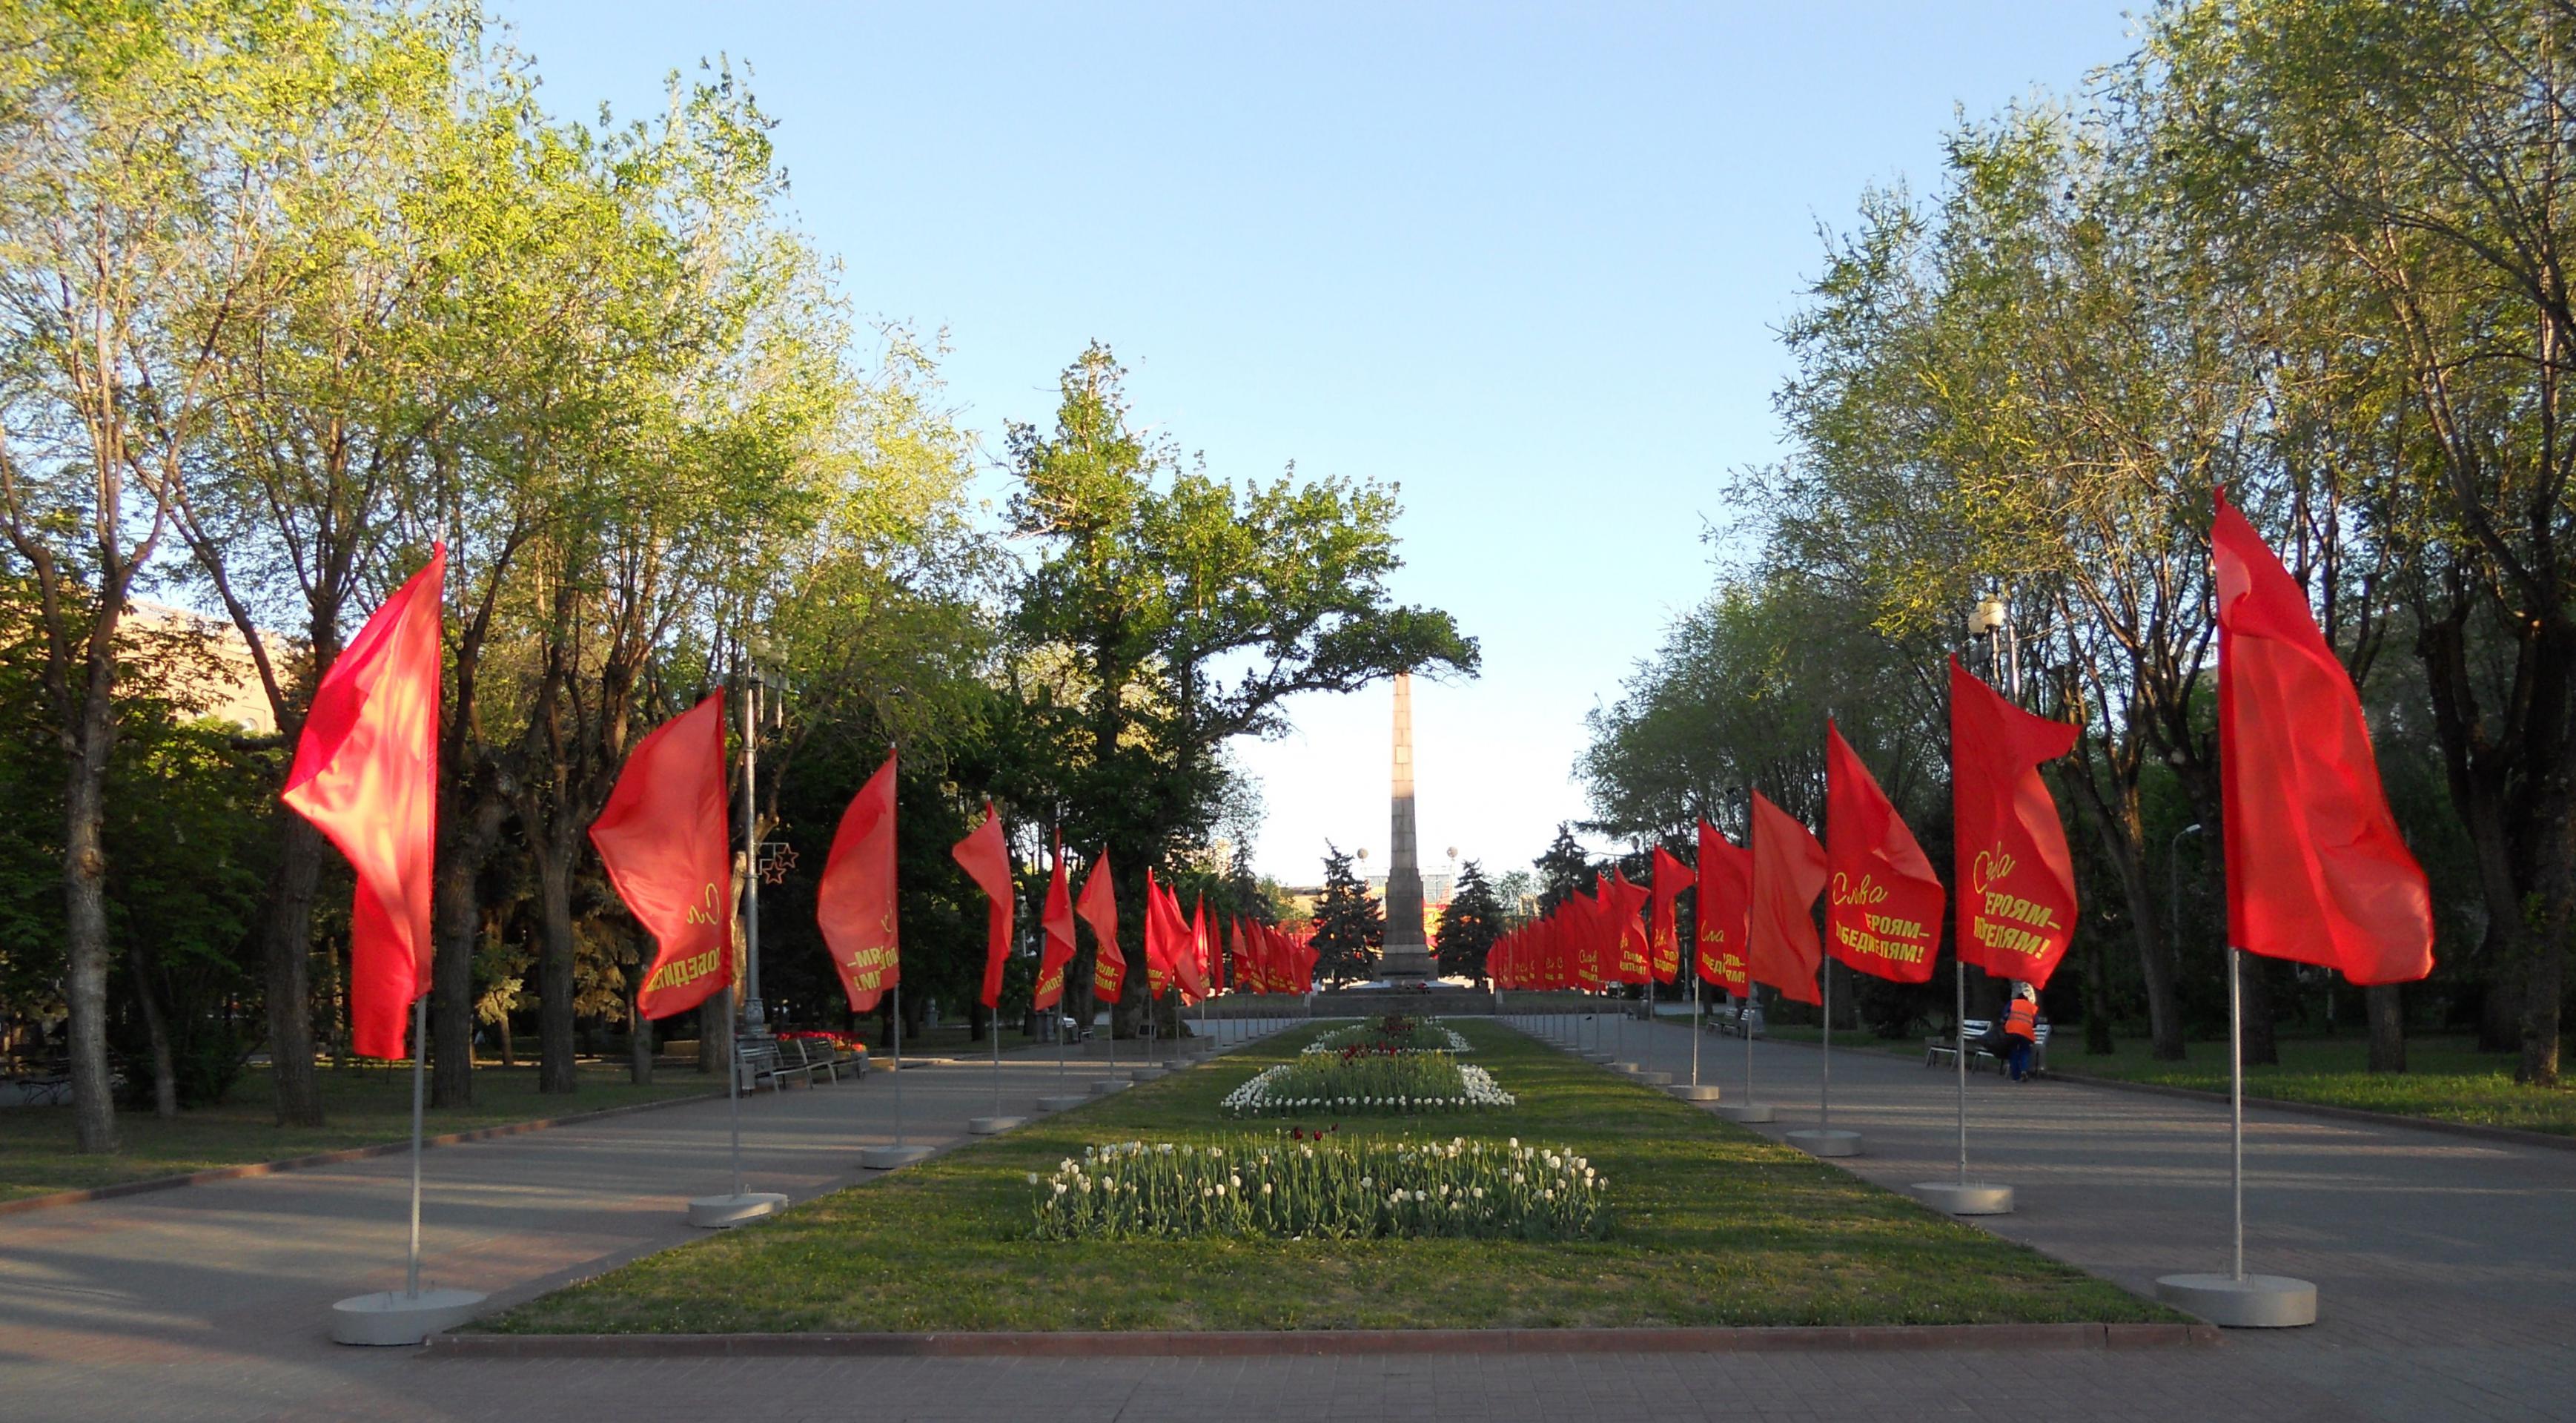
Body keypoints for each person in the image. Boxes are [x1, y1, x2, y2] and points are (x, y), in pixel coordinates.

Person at [2003, 982, 2039, 1082]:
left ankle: (2016, 1076)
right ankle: (2024, 1070)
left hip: (2012, 1031)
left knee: (2013, 1051)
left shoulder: (2012, 1003)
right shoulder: (2032, 1007)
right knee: (2025, 1051)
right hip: (2026, 1032)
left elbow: (2004, 1016)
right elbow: (2036, 1022)